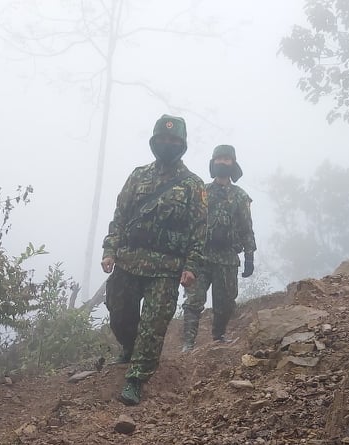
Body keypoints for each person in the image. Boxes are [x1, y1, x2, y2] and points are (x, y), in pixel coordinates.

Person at [101, 114, 208, 406]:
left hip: (166, 268)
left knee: (153, 324)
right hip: (129, 261)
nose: (167, 144)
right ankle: (129, 348)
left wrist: (191, 266)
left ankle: (136, 378)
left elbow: (199, 231)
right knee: (119, 313)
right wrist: (110, 250)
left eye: (174, 140)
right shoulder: (138, 176)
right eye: (162, 139)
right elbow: (120, 217)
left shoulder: (193, 185)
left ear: (182, 145)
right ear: (154, 141)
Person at [181, 144, 256, 351]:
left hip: (227, 258)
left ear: (233, 163)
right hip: (201, 256)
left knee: (225, 303)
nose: (222, 162)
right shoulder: (202, 192)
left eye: (227, 159)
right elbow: (189, 223)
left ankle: (219, 336)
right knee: (193, 301)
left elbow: (246, 228)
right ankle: (188, 343)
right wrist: (184, 255)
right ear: (213, 162)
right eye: (219, 159)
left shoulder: (241, 196)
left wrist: (249, 256)